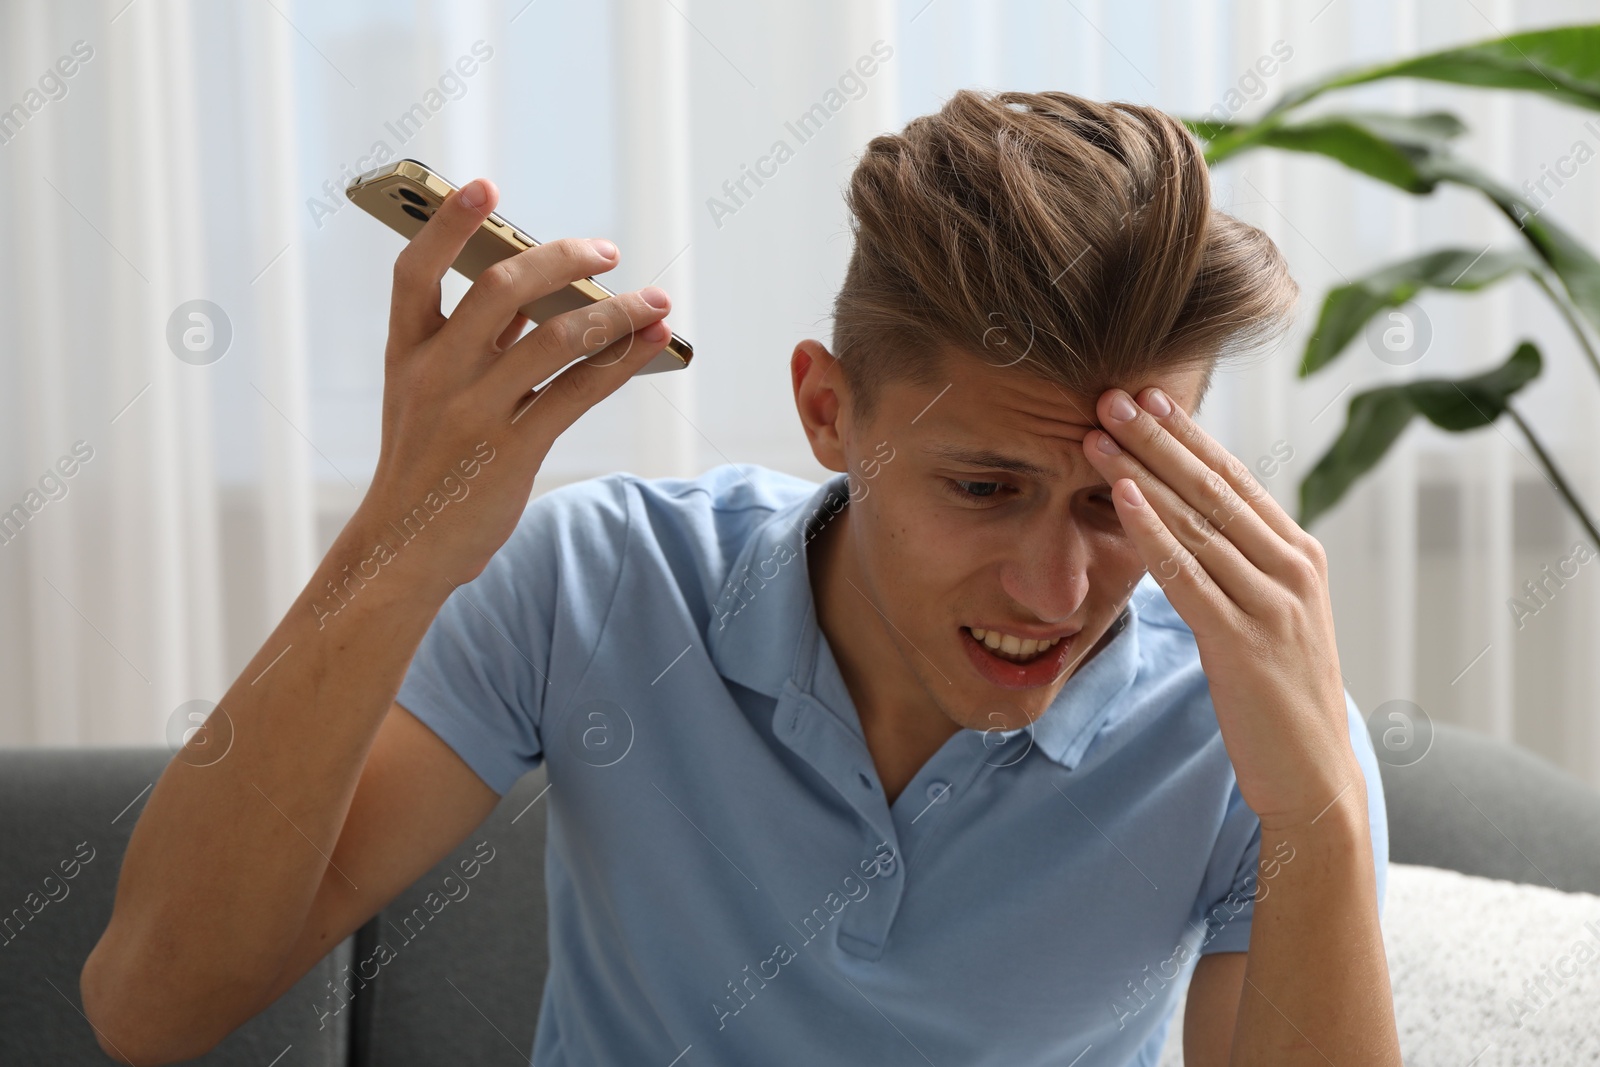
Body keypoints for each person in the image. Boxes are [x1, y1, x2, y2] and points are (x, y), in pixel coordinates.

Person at [82, 89, 1400, 1065]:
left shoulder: (1253, 730)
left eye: (1122, 503)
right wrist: (400, 537)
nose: (1058, 592)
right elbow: (154, 1005)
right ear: (830, 413)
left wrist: (1318, 813)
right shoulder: (601, 581)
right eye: (983, 487)